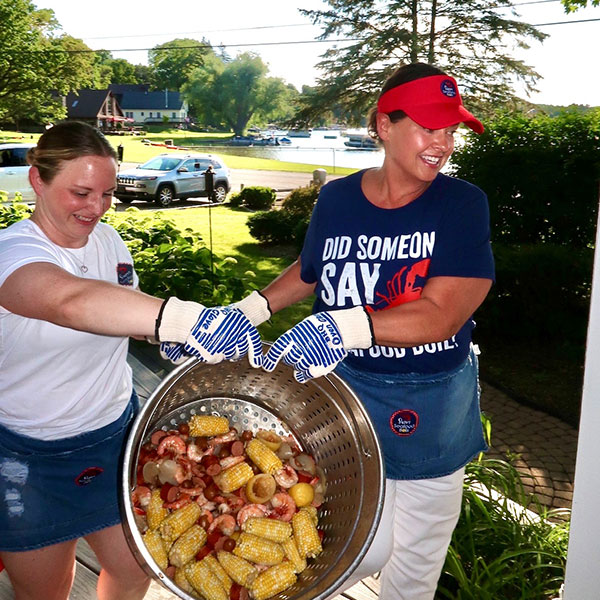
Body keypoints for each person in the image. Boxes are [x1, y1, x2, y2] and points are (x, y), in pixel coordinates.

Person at [196, 63, 495, 599]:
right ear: (384, 125)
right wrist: (250, 308)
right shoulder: (337, 199)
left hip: (431, 405)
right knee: (357, 545)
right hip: (347, 397)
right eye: (429, 127)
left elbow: (442, 313)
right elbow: (312, 271)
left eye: (450, 130)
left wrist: (343, 326)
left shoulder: (461, 204)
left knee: (417, 561)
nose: (443, 143)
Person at [0, 121, 262, 600]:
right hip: (27, 458)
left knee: (135, 568)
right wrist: (185, 319)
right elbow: (71, 302)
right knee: (45, 590)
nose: (96, 208)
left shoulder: (110, 243)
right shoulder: (13, 253)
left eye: (106, 193)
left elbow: (124, 308)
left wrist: (166, 335)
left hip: (113, 439)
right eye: (80, 193)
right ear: (37, 179)